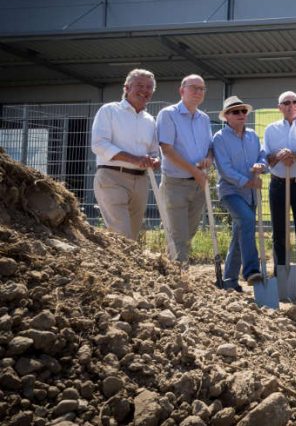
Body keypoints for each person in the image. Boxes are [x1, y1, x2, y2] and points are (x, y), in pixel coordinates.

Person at [91, 68, 160, 240]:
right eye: (139, 85)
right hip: (112, 177)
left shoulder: (150, 120)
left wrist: (155, 161)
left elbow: (153, 151)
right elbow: (99, 144)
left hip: (141, 181)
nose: (145, 90)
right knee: (121, 235)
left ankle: (119, 266)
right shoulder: (109, 111)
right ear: (126, 88)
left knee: (132, 237)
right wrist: (135, 159)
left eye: (149, 87)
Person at [155, 74, 213, 267]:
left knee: (188, 234)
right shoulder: (168, 114)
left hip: (198, 184)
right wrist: (194, 171)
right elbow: (167, 149)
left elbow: (210, 148)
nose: (198, 92)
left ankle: (171, 269)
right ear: (182, 90)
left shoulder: (204, 119)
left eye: (201, 89)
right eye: (193, 87)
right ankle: (181, 279)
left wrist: (208, 160)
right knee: (178, 236)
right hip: (176, 183)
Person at [263, 91, 296, 295]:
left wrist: (295, 155)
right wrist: (278, 155)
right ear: (279, 107)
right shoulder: (271, 129)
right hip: (278, 184)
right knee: (279, 233)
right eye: (286, 102)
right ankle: (280, 277)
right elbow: (266, 157)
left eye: (295, 102)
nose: (291, 105)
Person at [212, 96, 267, 289]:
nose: (241, 115)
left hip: (251, 194)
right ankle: (251, 270)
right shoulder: (219, 138)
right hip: (231, 192)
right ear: (226, 116)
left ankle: (228, 281)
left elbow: (262, 154)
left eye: (243, 111)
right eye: (236, 112)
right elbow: (225, 169)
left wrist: (262, 164)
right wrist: (247, 182)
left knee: (239, 235)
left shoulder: (252, 135)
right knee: (246, 220)